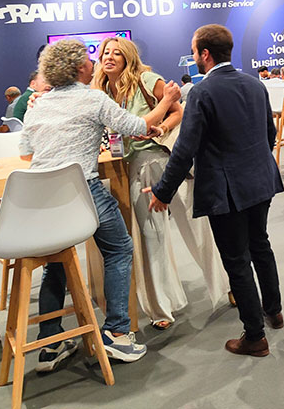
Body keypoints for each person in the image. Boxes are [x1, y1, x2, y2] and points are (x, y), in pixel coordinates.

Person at [20, 39, 179, 370]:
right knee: (119, 249)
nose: (96, 62)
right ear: (81, 67)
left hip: (42, 201)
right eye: (91, 58)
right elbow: (138, 127)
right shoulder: (93, 98)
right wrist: (166, 101)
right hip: (83, 191)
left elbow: (25, 153)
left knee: (55, 262)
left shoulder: (38, 105)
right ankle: (117, 333)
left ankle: (51, 344)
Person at [145, 24, 284, 357]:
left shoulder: (201, 92)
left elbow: (185, 149)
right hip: (260, 181)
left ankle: (255, 336)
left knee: (236, 260)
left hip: (227, 189)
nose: (193, 56)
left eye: (194, 51)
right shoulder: (254, 84)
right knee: (260, 245)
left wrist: (163, 192)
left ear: (204, 54)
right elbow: (270, 134)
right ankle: (274, 311)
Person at [91, 36, 229, 331]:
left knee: (196, 227)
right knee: (150, 237)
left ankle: (229, 284)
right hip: (136, 167)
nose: (110, 57)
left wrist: (162, 127)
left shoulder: (147, 79)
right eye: (106, 53)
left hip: (167, 160)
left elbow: (179, 111)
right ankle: (161, 307)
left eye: (117, 53)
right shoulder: (100, 91)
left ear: (128, 58)